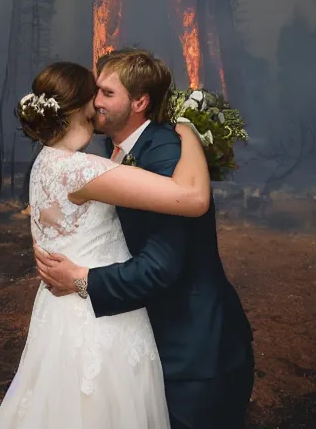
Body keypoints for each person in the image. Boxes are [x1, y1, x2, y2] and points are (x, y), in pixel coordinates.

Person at [35, 48, 255, 429]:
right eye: (94, 91)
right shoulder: (110, 150)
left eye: (106, 93)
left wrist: (81, 279)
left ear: (139, 102)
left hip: (193, 352)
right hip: (153, 340)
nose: (94, 101)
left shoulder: (166, 152)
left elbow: (161, 265)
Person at [0, 61, 210, 429]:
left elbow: (47, 234)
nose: (99, 102)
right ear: (81, 107)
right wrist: (190, 130)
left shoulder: (45, 161)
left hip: (59, 313)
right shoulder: (82, 169)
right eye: (96, 93)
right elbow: (193, 198)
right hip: (99, 320)